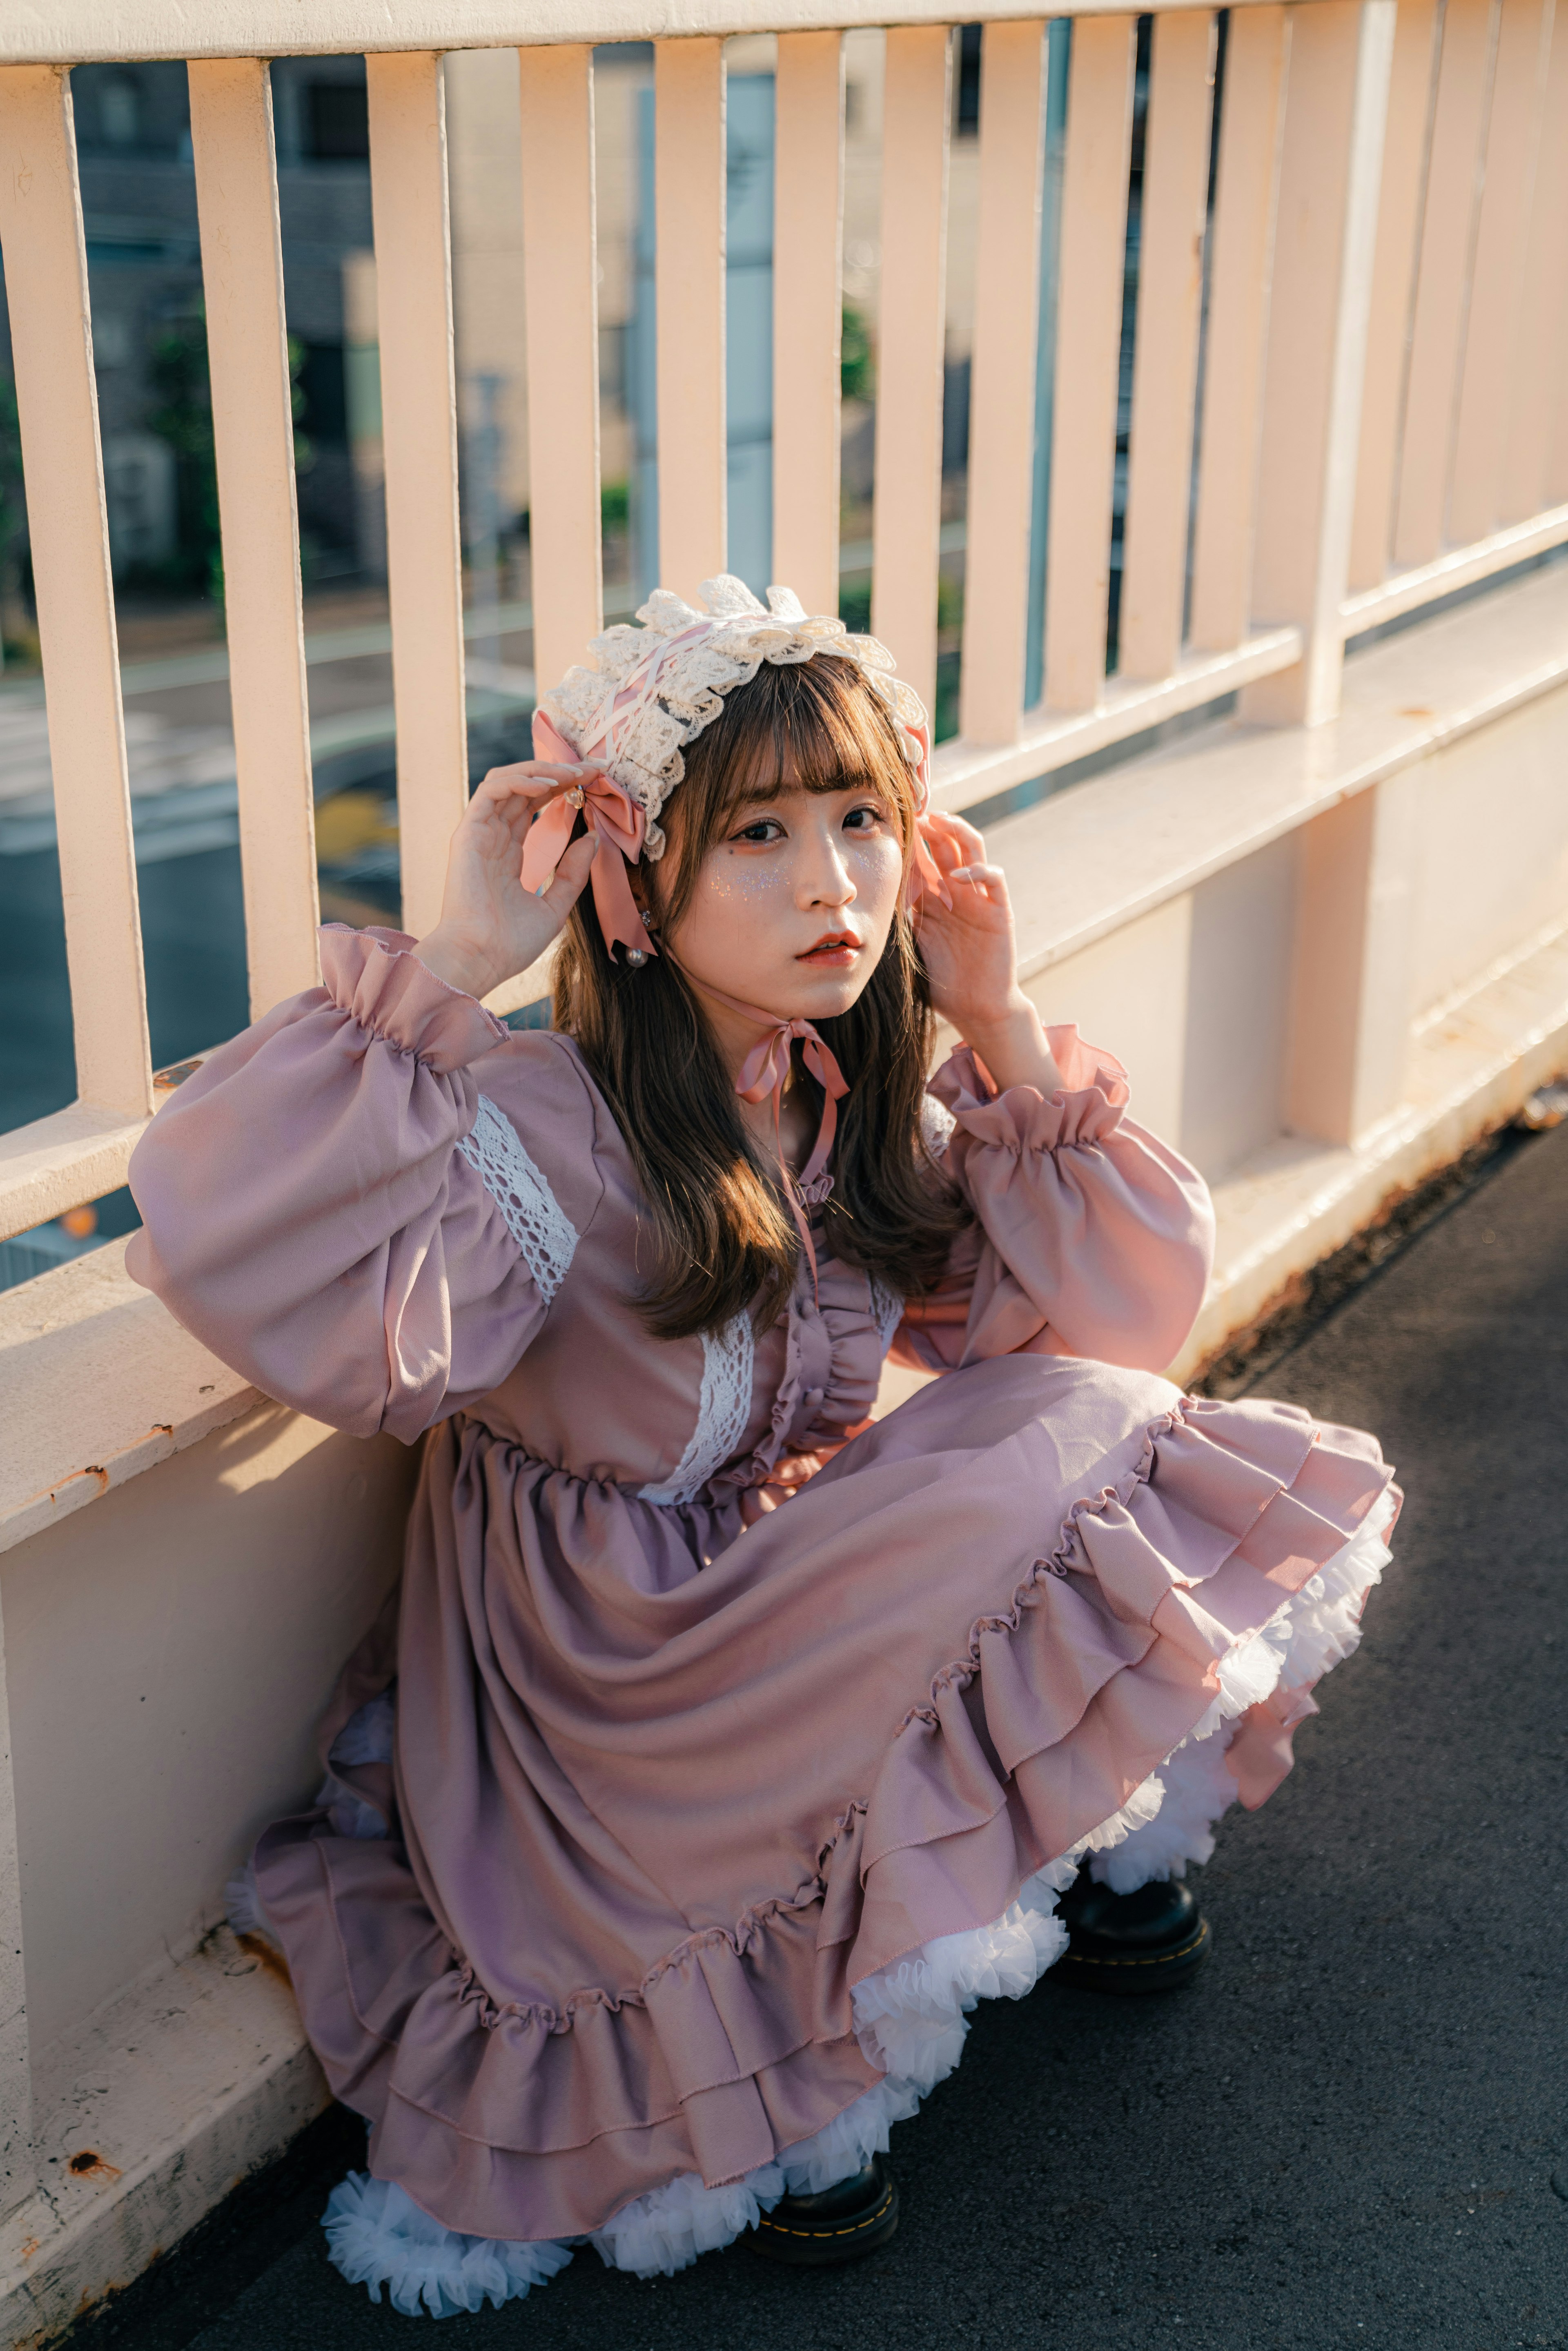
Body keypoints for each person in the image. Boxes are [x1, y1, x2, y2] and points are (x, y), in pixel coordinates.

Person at [127, 578, 1398, 2317]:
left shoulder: (834, 1095)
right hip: (606, 1680)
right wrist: (447, 968)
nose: (834, 884)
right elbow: (232, 1226)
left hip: (763, 1590)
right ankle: (797, 2091)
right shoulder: (537, 1118)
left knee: (1096, 1421)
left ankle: (1070, 1859)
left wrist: (999, 1018)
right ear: (636, 876)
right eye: (761, 838)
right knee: (1071, 1442)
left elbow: (1119, 1310)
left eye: (864, 820)